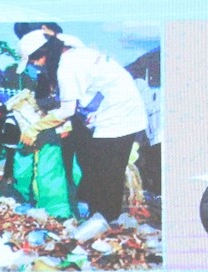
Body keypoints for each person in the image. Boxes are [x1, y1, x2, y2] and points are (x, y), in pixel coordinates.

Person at [16, 29, 146, 221]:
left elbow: (67, 110)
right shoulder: (72, 49)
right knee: (102, 173)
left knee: (106, 176)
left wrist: (35, 128)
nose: (34, 65)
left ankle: (105, 222)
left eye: (34, 60)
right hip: (119, 111)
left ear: (45, 53)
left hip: (117, 117)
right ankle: (102, 218)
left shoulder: (67, 68)